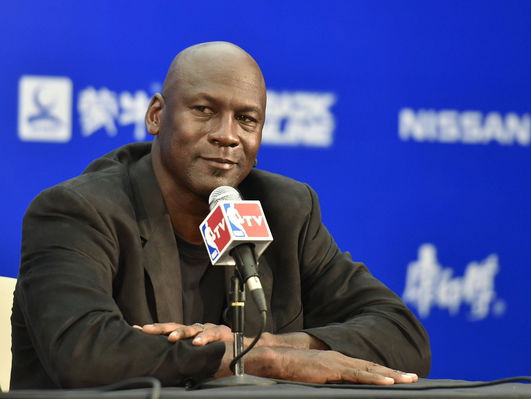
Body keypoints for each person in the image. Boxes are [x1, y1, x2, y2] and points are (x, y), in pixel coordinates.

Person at [11, 42, 430, 389]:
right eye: (204, 110)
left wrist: (277, 347)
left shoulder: (285, 210)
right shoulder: (78, 211)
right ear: (157, 115)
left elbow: (402, 335)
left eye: (246, 119)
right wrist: (262, 362)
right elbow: (85, 354)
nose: (227, 135)